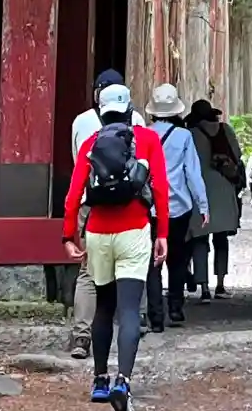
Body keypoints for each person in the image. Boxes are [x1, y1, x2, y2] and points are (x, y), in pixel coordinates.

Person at [62, 82, 171, 411]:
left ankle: (99, 381)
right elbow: (161, 189)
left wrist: (69, 236)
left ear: (101, 111)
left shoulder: (91, 143)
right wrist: (162, 233)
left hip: (97, 233)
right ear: (129, 110)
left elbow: (74, 194)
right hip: (134, 231)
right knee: (128, 311)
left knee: (103, 309)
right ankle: (122, 381)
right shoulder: (148, 139)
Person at [69, 68, 145, 358]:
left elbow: (77, 162)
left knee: (88, 271)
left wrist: (68, 231)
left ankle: (82, 335)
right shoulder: (137, 122)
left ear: (97, 94)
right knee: (131, 267)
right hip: (130, 205)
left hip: (92, 203)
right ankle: (132, 322)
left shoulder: (81, 122)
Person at [145, 84, 207, 330]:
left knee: (152, 262)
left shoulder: (144, 134)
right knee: (178, 258)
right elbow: (192, 173)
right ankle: (176, 307)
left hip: (150, 207)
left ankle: (155, 316)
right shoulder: (184, 136)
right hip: (179, 207)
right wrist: (203, 204)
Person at [188, 99, 244, 300]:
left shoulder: (191, 134)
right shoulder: (225, 129)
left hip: (199, 190)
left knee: (200, 240)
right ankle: (220, 284)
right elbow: (237, 155)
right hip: (223, 188)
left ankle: (204, 288)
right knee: (221, 239)